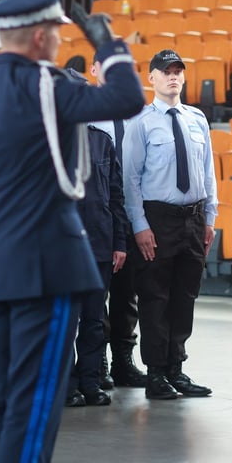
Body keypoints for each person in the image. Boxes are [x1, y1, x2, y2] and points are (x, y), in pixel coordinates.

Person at [0, 0, 144, 462]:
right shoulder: (52, 88)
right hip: (47, 272)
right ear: (38, 37)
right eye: (55, 29)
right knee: (36, 403)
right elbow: (126, 98)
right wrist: (108, 45)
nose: (58, 38)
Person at [122, 49, 218, 400]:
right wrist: (139, 226)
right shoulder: (141, 123)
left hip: (192, 218)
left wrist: (209, 216)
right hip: (157, 220)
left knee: (184, 296)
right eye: (166, 72)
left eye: (178, 71)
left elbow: (208, 172)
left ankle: (176, 368)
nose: (173, 77)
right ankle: (156, 373)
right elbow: (130, 179)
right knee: (154, 297)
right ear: (152, 78)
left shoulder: (197, 119)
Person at [64, 68, 129, 407]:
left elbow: (115, 197)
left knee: (93, 321)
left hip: (100, 246)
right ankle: (67, 387)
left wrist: (119, 243)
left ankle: (90, 382)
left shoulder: (102, 141)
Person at [88, 52, 146, 389]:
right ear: (94, 70)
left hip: (130, 211)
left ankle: (124, 359)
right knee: (97, 294)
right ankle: (100, 362)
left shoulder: (139, 114)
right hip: (97, 212)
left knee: (127, 293)